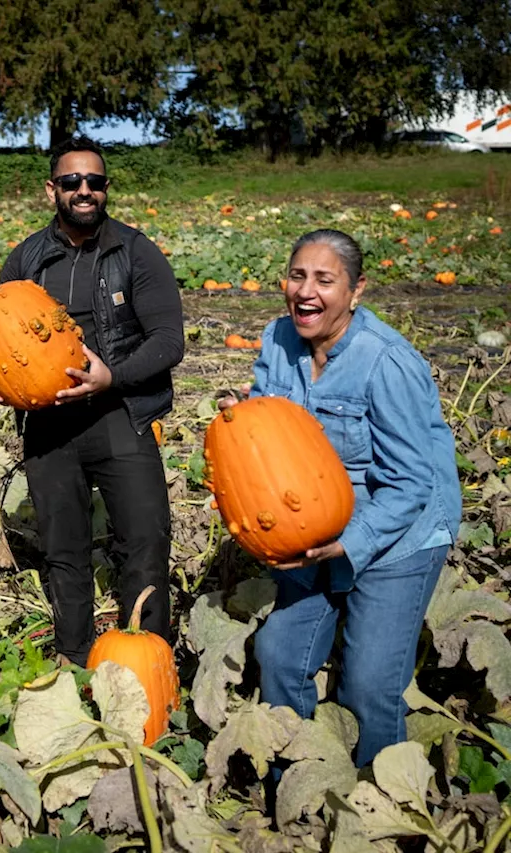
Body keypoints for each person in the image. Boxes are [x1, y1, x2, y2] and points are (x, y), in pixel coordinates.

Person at [221, 229, 461, 767]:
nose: (305, 290)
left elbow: (408, 483)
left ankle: (380, 809)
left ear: (355, 292)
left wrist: (347, 544)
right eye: (298, 275)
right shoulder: (277, 339)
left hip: (399, 532)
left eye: (324, 280)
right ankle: (300, 781)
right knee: (279, 655)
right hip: (315, 526)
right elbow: (268, 420)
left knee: (369, 685)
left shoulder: (386, 362)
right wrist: (242, 414)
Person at [0, 136, 185, 664]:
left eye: (94, 181)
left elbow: (167, 341)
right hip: (49, 427)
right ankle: (73, 655)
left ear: (105, 188)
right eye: (72, 182)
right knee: (63, 551)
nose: (84, 190)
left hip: (120, 415)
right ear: (53, 190)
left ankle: (150, 657)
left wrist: (112, 376)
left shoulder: (135, 251)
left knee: (145, 541)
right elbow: (0, 342)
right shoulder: (25, 259)